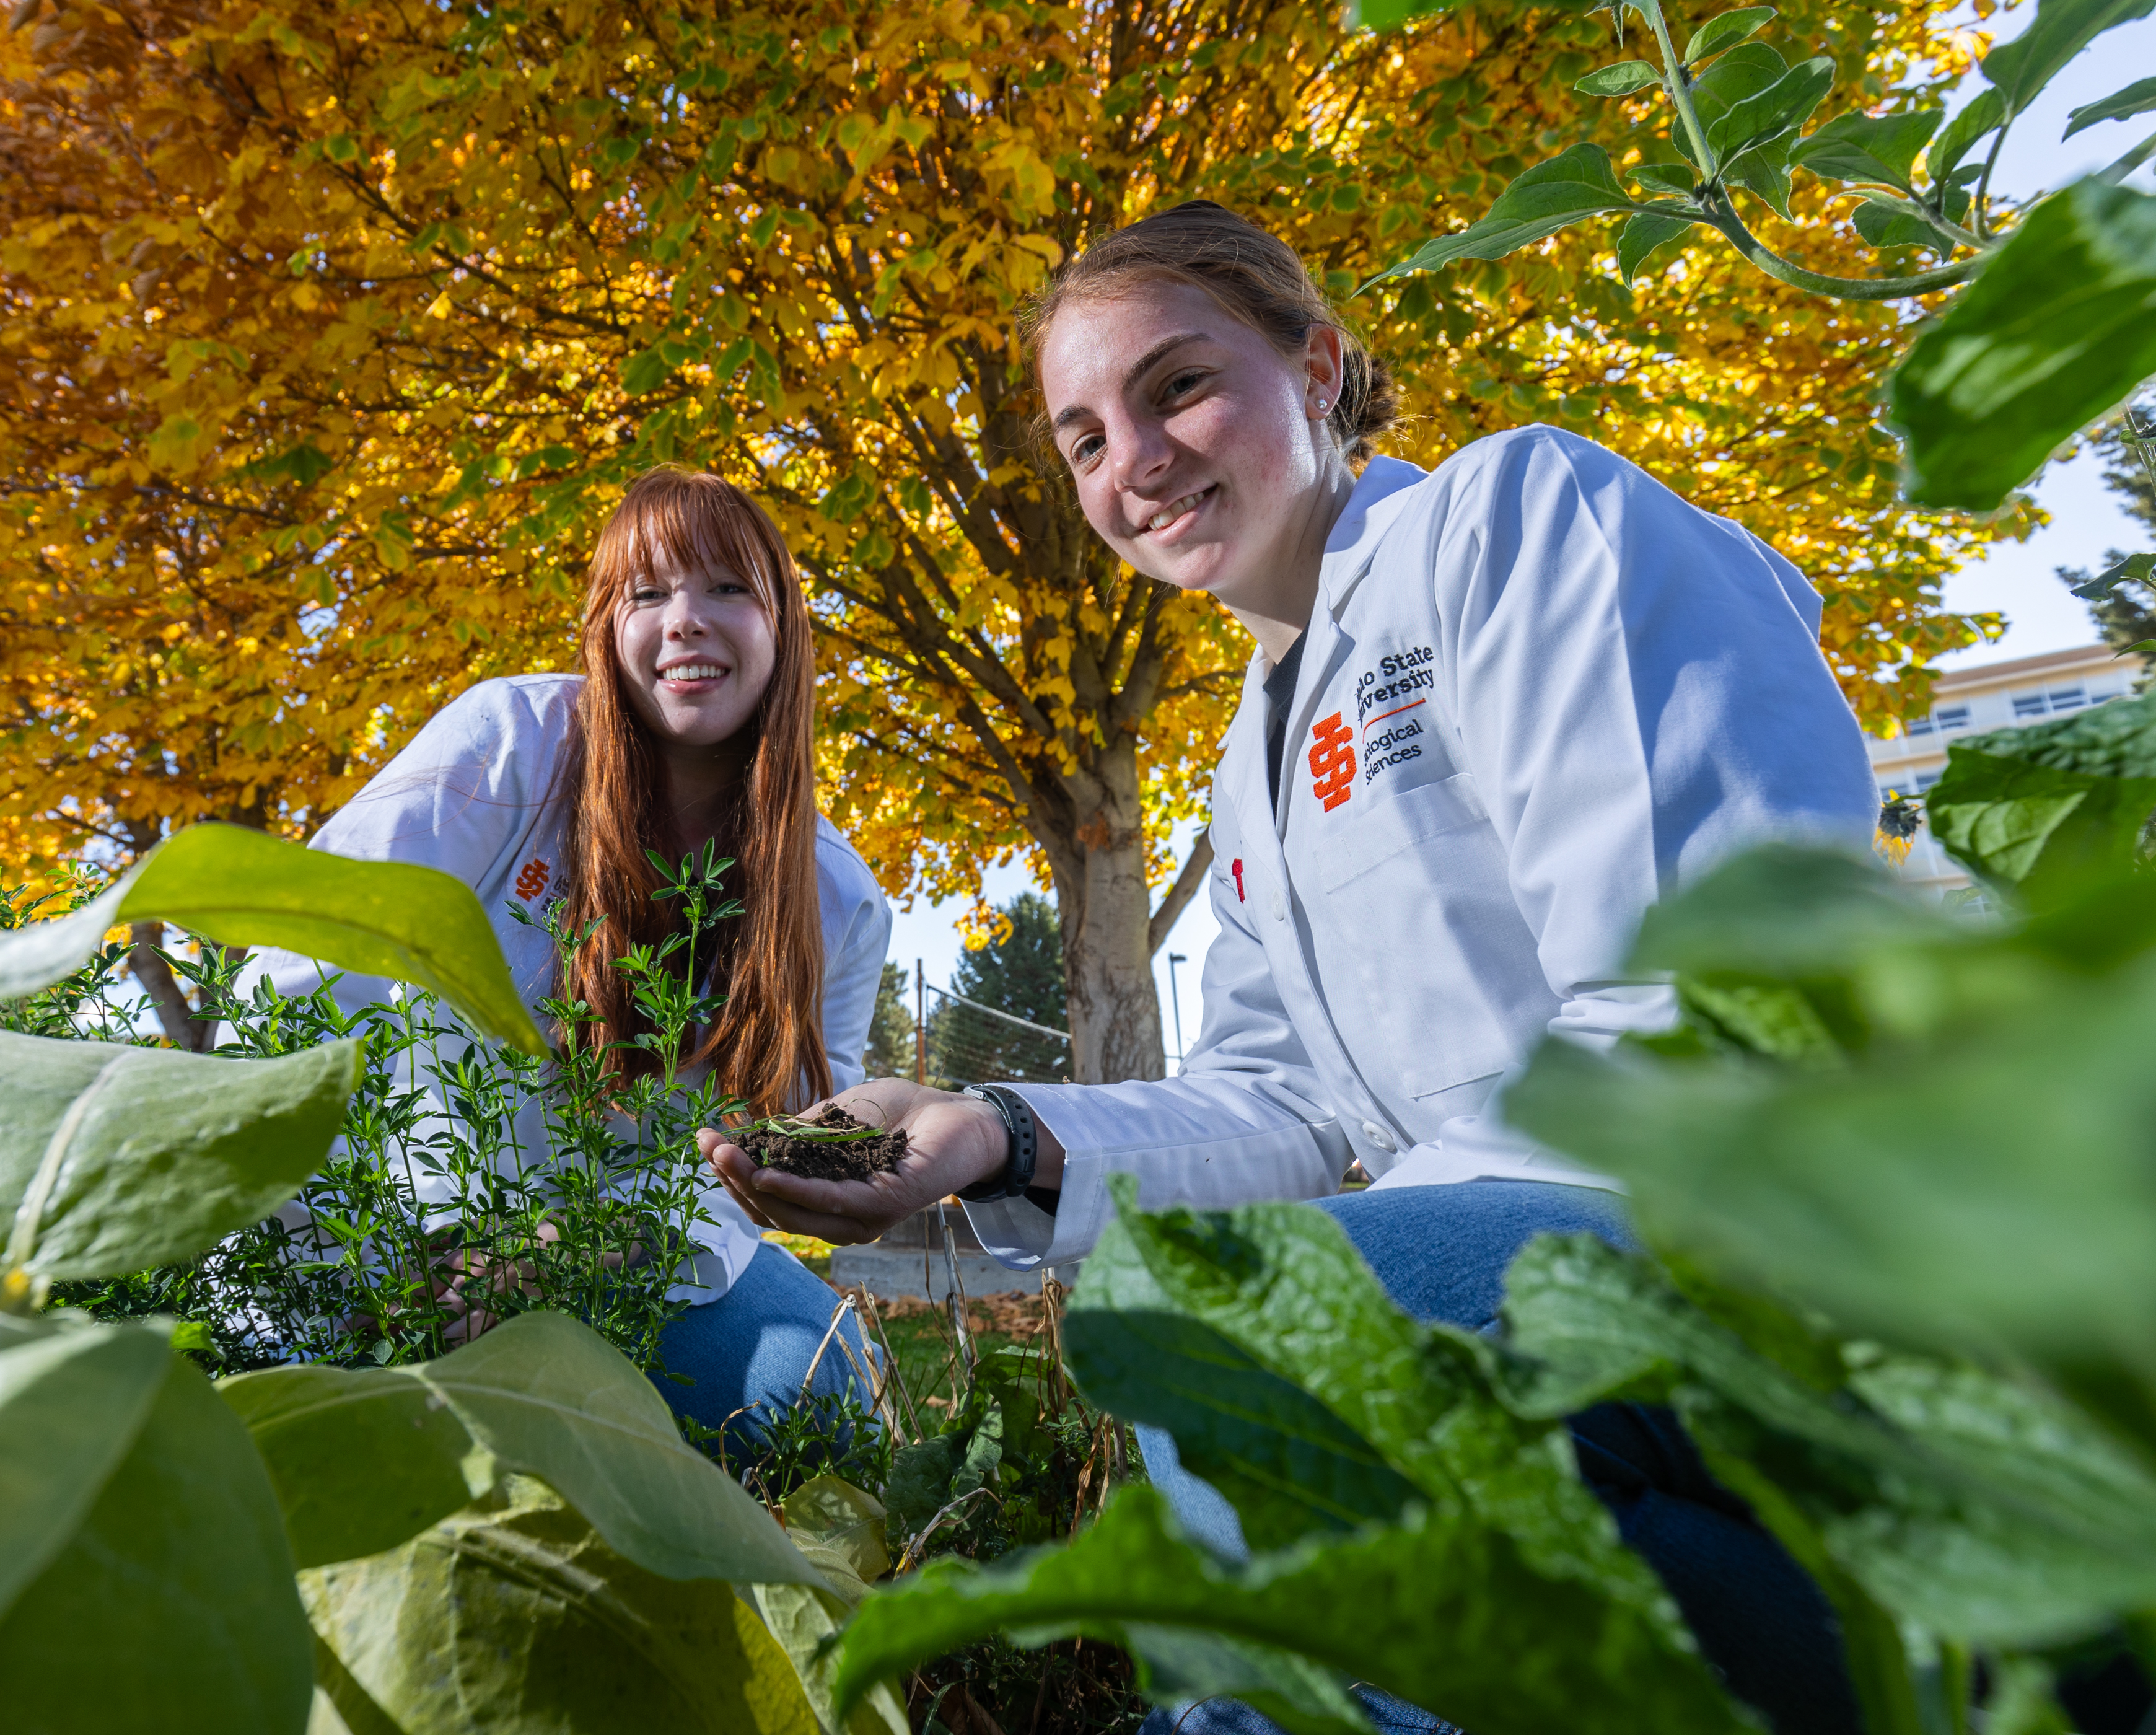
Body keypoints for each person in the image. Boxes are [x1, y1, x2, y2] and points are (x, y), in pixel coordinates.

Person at [699, 203, 1877, 1734]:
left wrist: (1360, 1253)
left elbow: (1711, 993)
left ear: (1317, 366)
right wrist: (994, 1129)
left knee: (1261, 1347)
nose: (1132, 459)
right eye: (1082, 439)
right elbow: (1290, 1111)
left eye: (1178, 386)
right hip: (1596, 1380)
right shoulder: (1250, 782)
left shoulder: (1512, 519)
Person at [252, 468, 891, 1444]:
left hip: (625, 1261)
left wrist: (565, 1254)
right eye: (647, 593)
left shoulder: (838, 902)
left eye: (727, 588)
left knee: (829, 1390)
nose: (684, 620)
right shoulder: (506, 746)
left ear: (785, 629)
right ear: (605, 628)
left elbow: (778, 1156)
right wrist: (398, 1251)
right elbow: (303, 974)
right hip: (385, 1232)